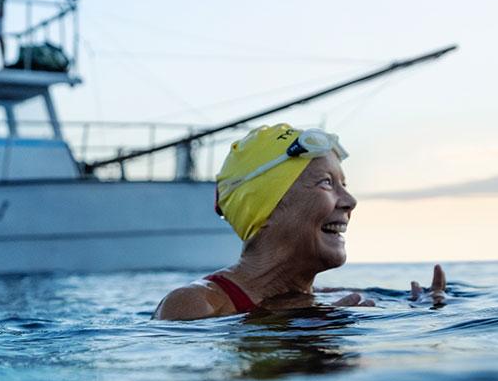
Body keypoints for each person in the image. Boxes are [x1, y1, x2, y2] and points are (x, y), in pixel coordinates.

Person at [153, 124, 447, 320]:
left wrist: (424, 307)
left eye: (344, 184)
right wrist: (306, 327)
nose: (350, 201)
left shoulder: (327, 297)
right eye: (326, 183)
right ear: (265, 210)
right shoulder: (195, 305)